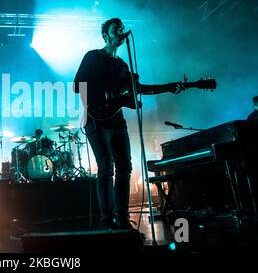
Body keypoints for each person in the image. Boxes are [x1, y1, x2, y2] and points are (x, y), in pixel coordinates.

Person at [73, 18, 184, 230]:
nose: (121, 32)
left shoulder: (123, 65)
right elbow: (78, 86)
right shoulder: (93, 57)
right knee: (106, 168)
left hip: (117, 122)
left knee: (125, 167)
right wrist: (95, 105)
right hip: (96, 119)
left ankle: (121, 217)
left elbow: (138, 88)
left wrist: (170, 87)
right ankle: (106, 220)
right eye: (116, 29)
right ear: (106, 35)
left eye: (122, 29)